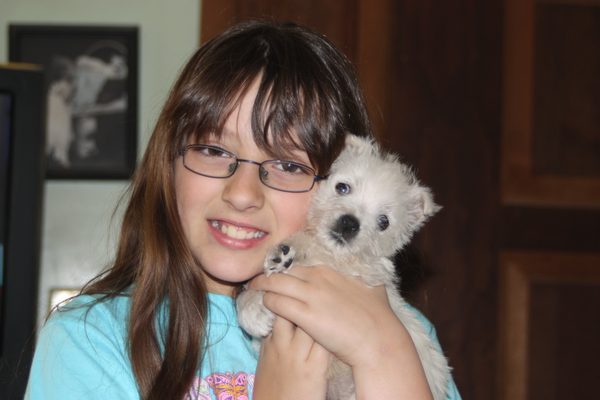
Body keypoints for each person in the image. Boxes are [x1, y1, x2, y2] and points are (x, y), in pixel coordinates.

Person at [25, 20, 461, 400]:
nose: (243, 192)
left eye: (289, 164)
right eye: (214, 149)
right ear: (168, 162)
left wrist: (382, 350)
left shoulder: (396, 333)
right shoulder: (89, 342)